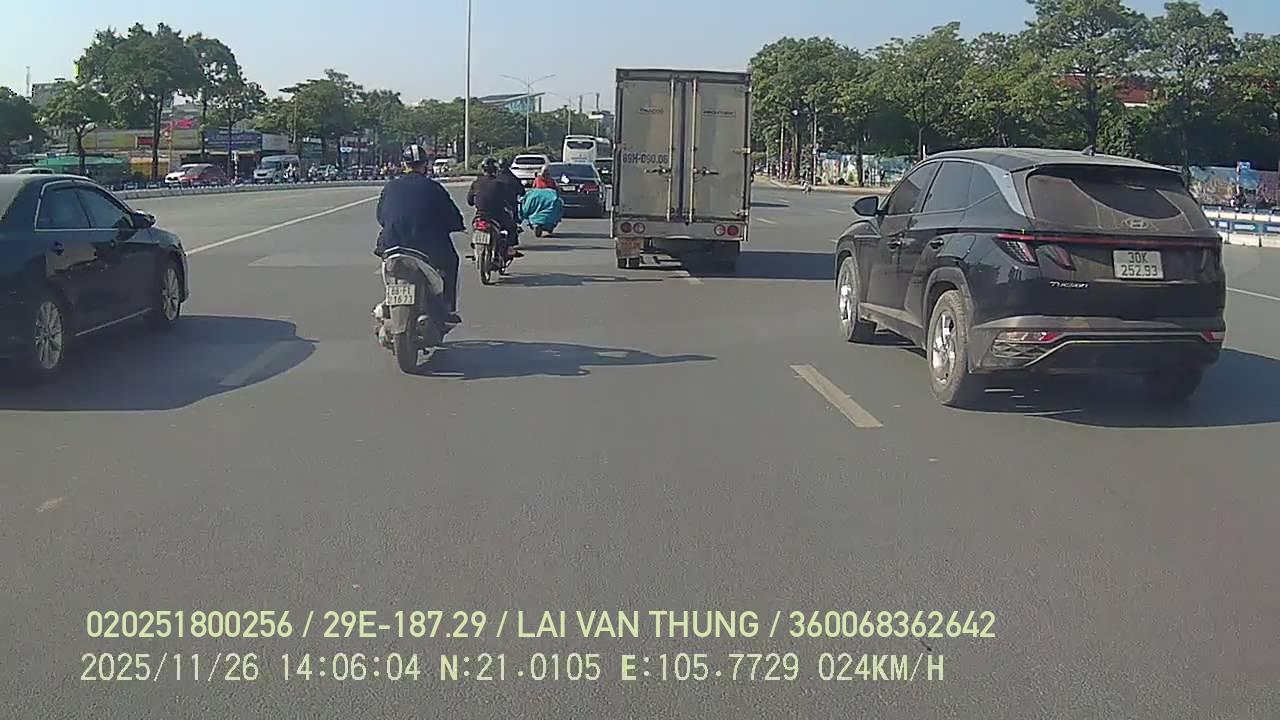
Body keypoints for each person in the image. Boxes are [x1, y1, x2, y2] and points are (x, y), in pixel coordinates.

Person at [376, 144, 466, 324]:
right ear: (425, 164)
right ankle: (447, 307)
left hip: (392, 244)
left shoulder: (390, 187)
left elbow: (381, 217)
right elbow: (453, 217)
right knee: (451, 261)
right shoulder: (434, 188)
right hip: (427, 246)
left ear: (404, 164)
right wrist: (455, 226)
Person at [467, 158, 522, 258]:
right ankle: (509, 249)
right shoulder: (499, 183)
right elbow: (507, 198)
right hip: (496, 215)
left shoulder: (476, 183)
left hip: (480, 215)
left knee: (474, 226)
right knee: (512, 227)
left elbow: (469, 201)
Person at [496, 158, 525, 247]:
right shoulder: (512, 178)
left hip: (502, 206)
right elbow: (521, 191)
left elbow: (521, 191)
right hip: (507, 205)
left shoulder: (495, 178)